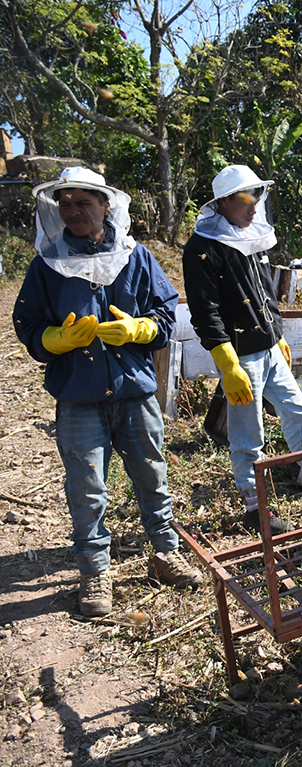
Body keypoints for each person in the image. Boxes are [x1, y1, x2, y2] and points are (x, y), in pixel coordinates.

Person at [13, 167, 203, 617]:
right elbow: (28, 323)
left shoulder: (136, 257)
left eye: (83, 202)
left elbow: (165, 314)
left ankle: (164, 553)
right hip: (78, 395)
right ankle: (95, 570)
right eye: (65, 203)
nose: (73, 211)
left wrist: (140, 329)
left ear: (105, 206)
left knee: (152, 475)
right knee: (87, 487)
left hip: (133, 390)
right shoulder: (47, 265)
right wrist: (53, 339)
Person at [183, 165, 302, 535]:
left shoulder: (251, 237)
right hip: (241, 356)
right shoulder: (203, 248)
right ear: (222, 203)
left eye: (256, 195)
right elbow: (204, 311)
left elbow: (265, 293)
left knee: (299, 412)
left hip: (269, 348)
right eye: (243, 198)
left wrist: (279, 333)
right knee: (248, 435)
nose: (253, 205)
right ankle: (255, 508)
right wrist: (226, 362)